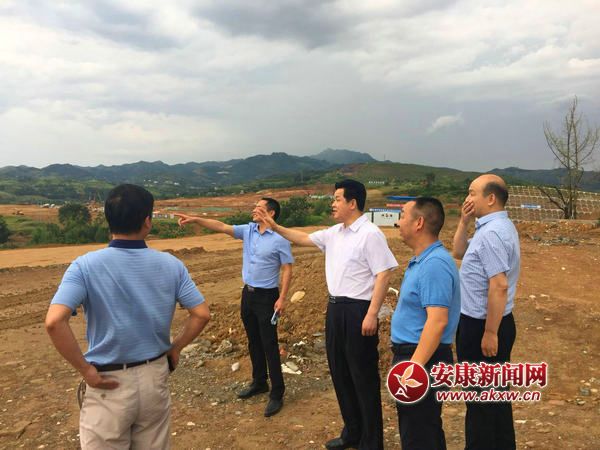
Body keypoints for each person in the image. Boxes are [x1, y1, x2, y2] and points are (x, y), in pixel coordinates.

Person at [45, 184, 210, 449]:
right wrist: (175, 348)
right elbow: (201, 314)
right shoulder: (172, 265)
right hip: (154, 376)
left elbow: (54, 322)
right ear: (147, 221)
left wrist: (85, 369)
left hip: (108, 382)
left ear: (108, 220)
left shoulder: (84, 266)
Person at [255, 179, 397, 450]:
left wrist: (372, 314)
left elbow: (384, 273)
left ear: (352, 203)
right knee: (340, 373)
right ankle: (352, 432)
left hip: (358, 311)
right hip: (335, 309)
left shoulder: (370, 234)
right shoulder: (334, 233)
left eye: (337, 199)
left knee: (363, 378)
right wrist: (275, 226)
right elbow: (303, 238)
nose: (333, 204)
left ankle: (371, 442)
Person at [176, 197, 293, 417]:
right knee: (253, 341)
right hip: (248, 295)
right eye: (255, 207)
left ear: (271, 213)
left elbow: (287, 268)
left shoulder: (280, 238)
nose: (254, 210)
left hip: (268, 297)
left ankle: (277, 392)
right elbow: (221, 226)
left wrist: (283, 298)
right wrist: (196, 219)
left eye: (259, 208)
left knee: (269, 344)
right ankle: (259, 382)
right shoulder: (248, 231)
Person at [452, 174, 520, 450]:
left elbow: (499, 285)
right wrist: (463, 222)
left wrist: (490, 332)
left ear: (491, 198)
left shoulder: (492, 234)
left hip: (482, 325)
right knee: (495, 397)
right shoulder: (495, 226)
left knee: (479, 400)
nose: (467, 198)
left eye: (472, 193)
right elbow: (458, 252)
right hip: (488, 322)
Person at [391, 197, 460, 449]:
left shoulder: (434, 265)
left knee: (419, 434)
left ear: (418, 223)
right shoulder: (424, 260)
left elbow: (438, 321)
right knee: (422, 429)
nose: (398, 223)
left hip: (424, 358)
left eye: (402, 215)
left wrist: (413, 368)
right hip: (418, 356)